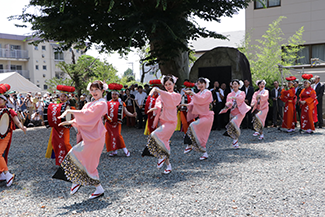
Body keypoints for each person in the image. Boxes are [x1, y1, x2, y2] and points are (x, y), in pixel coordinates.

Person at [58, 80, 109, 199]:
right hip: (90, 137)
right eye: (92, 90)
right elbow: (84, 115)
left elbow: (88, 115)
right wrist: (71, 121)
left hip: (96, 138)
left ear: (102, 90)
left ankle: (78, 180)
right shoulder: (90, 103)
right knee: (79, 157)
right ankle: (97, 188)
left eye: (97, 89)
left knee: (88, 163)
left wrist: (70, 111)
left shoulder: (102, 103)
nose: (94, 92)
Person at [144, 75, 181, 174]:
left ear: (174, 84)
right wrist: (155, 108)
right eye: (166, 85)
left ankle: (162, 156)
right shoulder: (162, 96)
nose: (168, 86)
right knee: (164, 142)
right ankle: (168, 165)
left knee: (155, 135)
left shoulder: (176, 96)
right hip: (163, 121)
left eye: (170, 84)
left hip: (171, 122)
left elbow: (170, 100)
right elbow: (158, 104)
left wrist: (158, 90)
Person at [0, 87, 27, 187]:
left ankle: (7, 174)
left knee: (0, 153)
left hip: (5, 134)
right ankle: (2, 174)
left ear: (5, 100)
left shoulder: (10, 111)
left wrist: (22, 127)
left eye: (0, 98)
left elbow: (17, 121)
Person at [182, 78, 214, 160]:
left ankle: (189, 145)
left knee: (193, 125)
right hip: (202, 116)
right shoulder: (199, 93)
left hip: (208, 116)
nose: (200, 85)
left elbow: (202, 100)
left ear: (205, 84)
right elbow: (193, 103)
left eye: (201, 83)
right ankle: (204, 153)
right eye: (198, 84)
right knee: (202, 135)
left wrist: (192, 93)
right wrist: (185, 105)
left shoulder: (208, 92)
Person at [105, 83, 137, 157]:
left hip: (117, 123)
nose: (114, 96)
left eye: (115, 94)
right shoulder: (108, 103)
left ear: (118, 95)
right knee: (110, 136)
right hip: (109, 123)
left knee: (117, 136)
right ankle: (114, 151)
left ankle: (125, 150)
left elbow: (126, 112)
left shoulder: (121, 103)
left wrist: (132, 115)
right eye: (113, 94)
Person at [44, 88, 74, 165]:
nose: (63, 98)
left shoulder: (70, 107)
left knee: (66, 143)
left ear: (67, 98)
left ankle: (73, 159)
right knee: (55, 143)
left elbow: (73, 118)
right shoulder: (55, 106)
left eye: (64, 96)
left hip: (65, 129)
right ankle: (60, 161)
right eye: (61, 96)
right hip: (56, 129)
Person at [220, 79, 250, 149]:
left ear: (239, 85)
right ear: (231, 85)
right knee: (236, 127)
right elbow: (228, 101)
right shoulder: (230, 94)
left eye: (236, 84)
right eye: (233, 84)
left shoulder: (242, 92)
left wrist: (234, 98)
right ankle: (235, 141)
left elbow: (241, 99)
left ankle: (233, 137)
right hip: (233, 112)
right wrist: (229, 104)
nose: (234, 85)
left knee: (234, 124)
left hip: (240, 112)